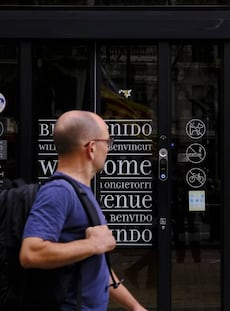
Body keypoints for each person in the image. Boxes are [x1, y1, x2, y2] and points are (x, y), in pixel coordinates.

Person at [19, 110, 147, 311]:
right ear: (92, 148)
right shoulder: (59, 191)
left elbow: (98, 266)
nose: (109, 149)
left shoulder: (81, 191)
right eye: (108, 141)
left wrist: (134, 306)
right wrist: (94, 244)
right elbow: (30, 253)